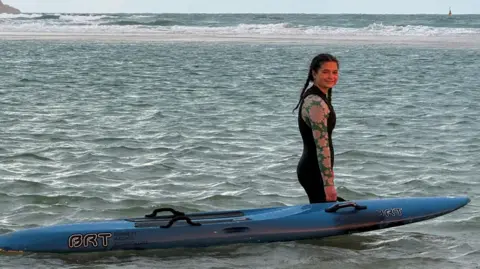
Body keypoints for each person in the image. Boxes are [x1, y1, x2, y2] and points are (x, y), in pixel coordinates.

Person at [293, 53, 342, 204]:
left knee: (330, 212)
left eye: (334, 72)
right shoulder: (315, 103)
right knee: (335, 214)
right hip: (313, 173)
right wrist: (329, 185)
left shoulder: (319, 97)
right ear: (314, 73)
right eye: (325, 72)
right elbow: (322, 147)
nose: (331, 76)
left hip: (315, 171)